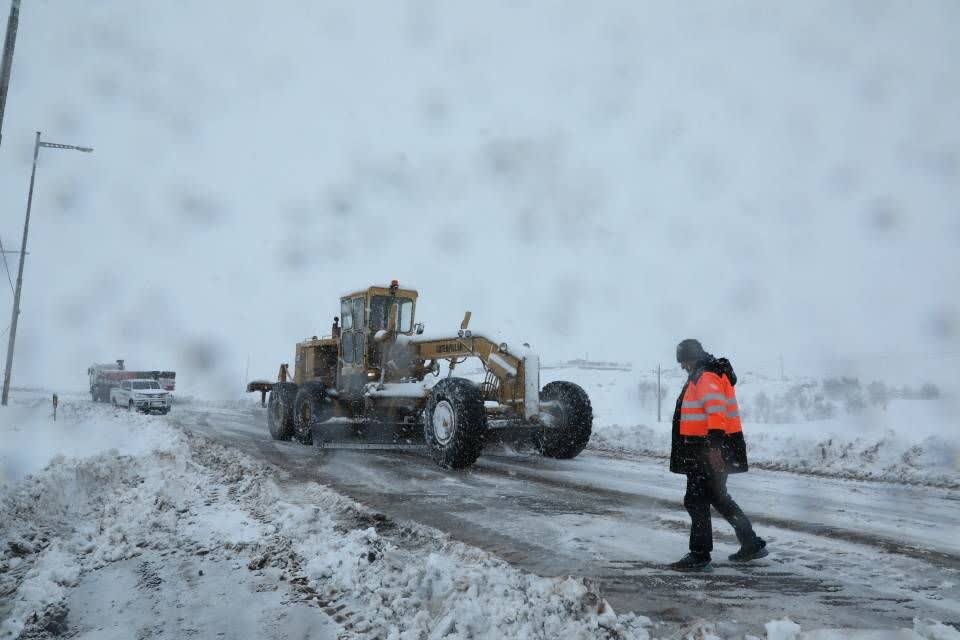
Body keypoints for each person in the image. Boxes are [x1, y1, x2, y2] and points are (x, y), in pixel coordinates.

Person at [669, 338, 767, 571]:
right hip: (710, 447)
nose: (683, 367)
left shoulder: (706, 376)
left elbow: (716, 412)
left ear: (691, 358)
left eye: (684, 362)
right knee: (718, 497)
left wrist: (713, 448)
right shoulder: (708, 373)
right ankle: (751, 543)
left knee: (696, 500)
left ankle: (700, 554)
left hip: (706, 450)